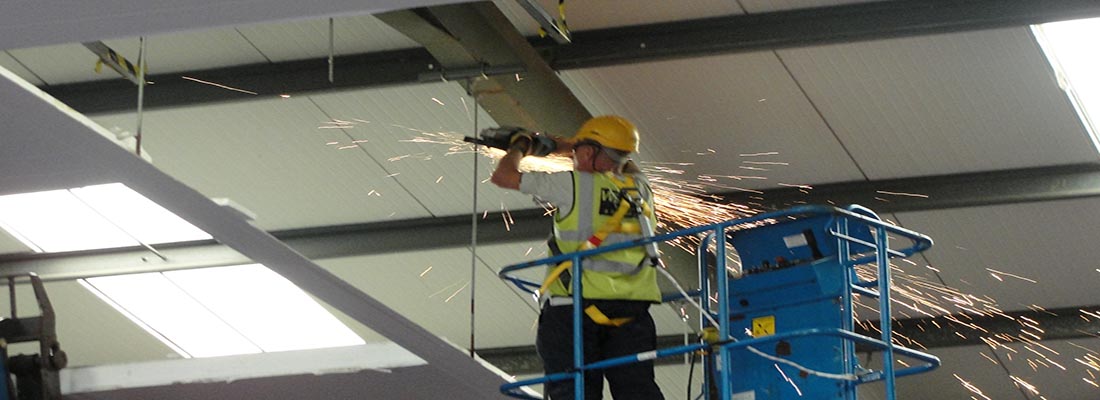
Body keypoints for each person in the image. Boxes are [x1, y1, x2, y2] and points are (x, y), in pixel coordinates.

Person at [490, 115, 664, 400]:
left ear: (587, 152)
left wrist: (519, 147)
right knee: (637, 390)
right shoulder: (640, 188)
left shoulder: (573, 184)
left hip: (573, 310)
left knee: (572, 392)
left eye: (578, 152)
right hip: (632, 312)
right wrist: (568, 145)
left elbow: (503, 176)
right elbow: (621, 157)